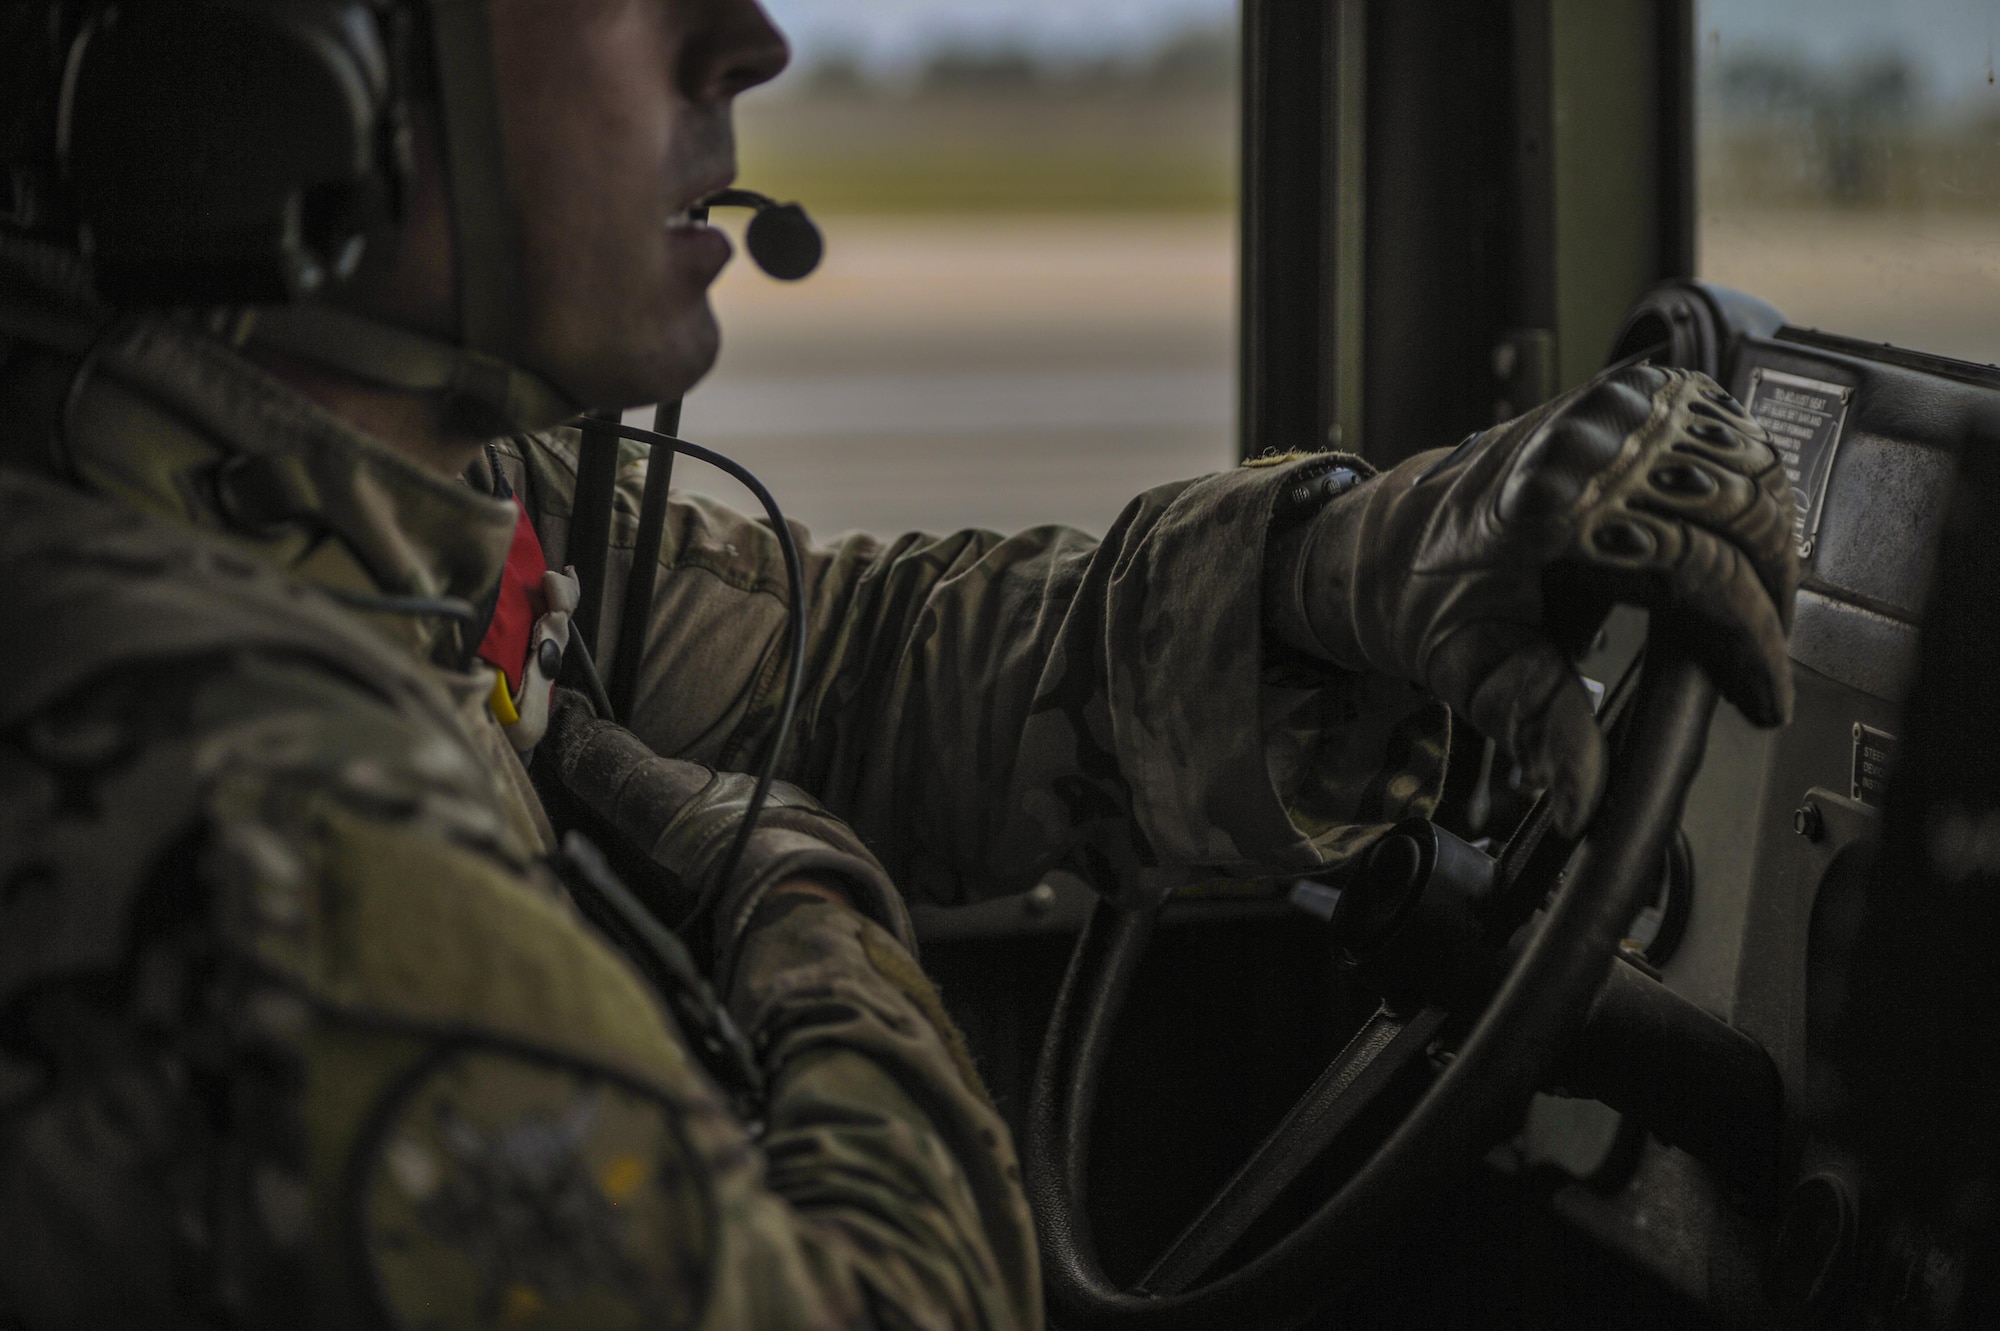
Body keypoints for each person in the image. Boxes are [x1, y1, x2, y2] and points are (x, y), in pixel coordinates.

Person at [0, 0, 1797, 1325]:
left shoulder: (374, 513)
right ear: (271, 69)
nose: (748, 41)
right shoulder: (241, 800)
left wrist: (1339, 565)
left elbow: (841, 668)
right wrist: (787, 879)